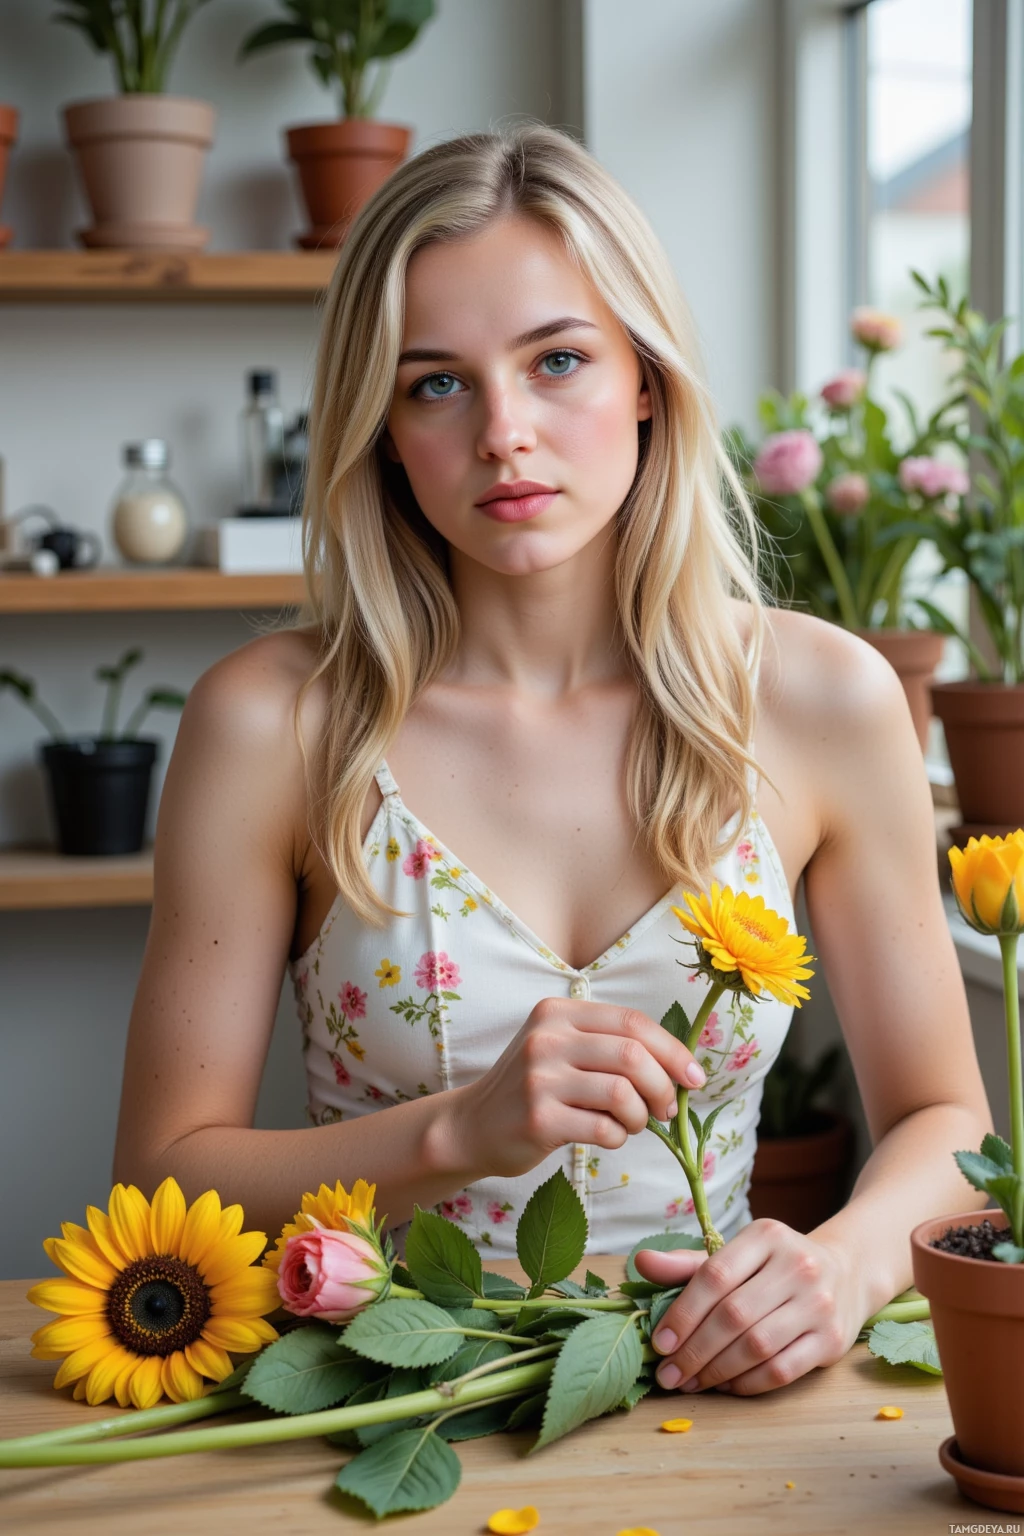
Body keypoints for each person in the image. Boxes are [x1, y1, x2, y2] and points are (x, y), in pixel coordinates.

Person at [112, 122, 993, 1398]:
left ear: (645, 375)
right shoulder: (271, 723)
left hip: (725, 1415)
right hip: (377, 1405)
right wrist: (458, 1131)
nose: (504, 433)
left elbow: (943, 1116)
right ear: (380, 428)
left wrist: (842, 1267)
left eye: (558, 361)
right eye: (436, 383)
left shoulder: (825, 701)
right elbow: (159, 1177)